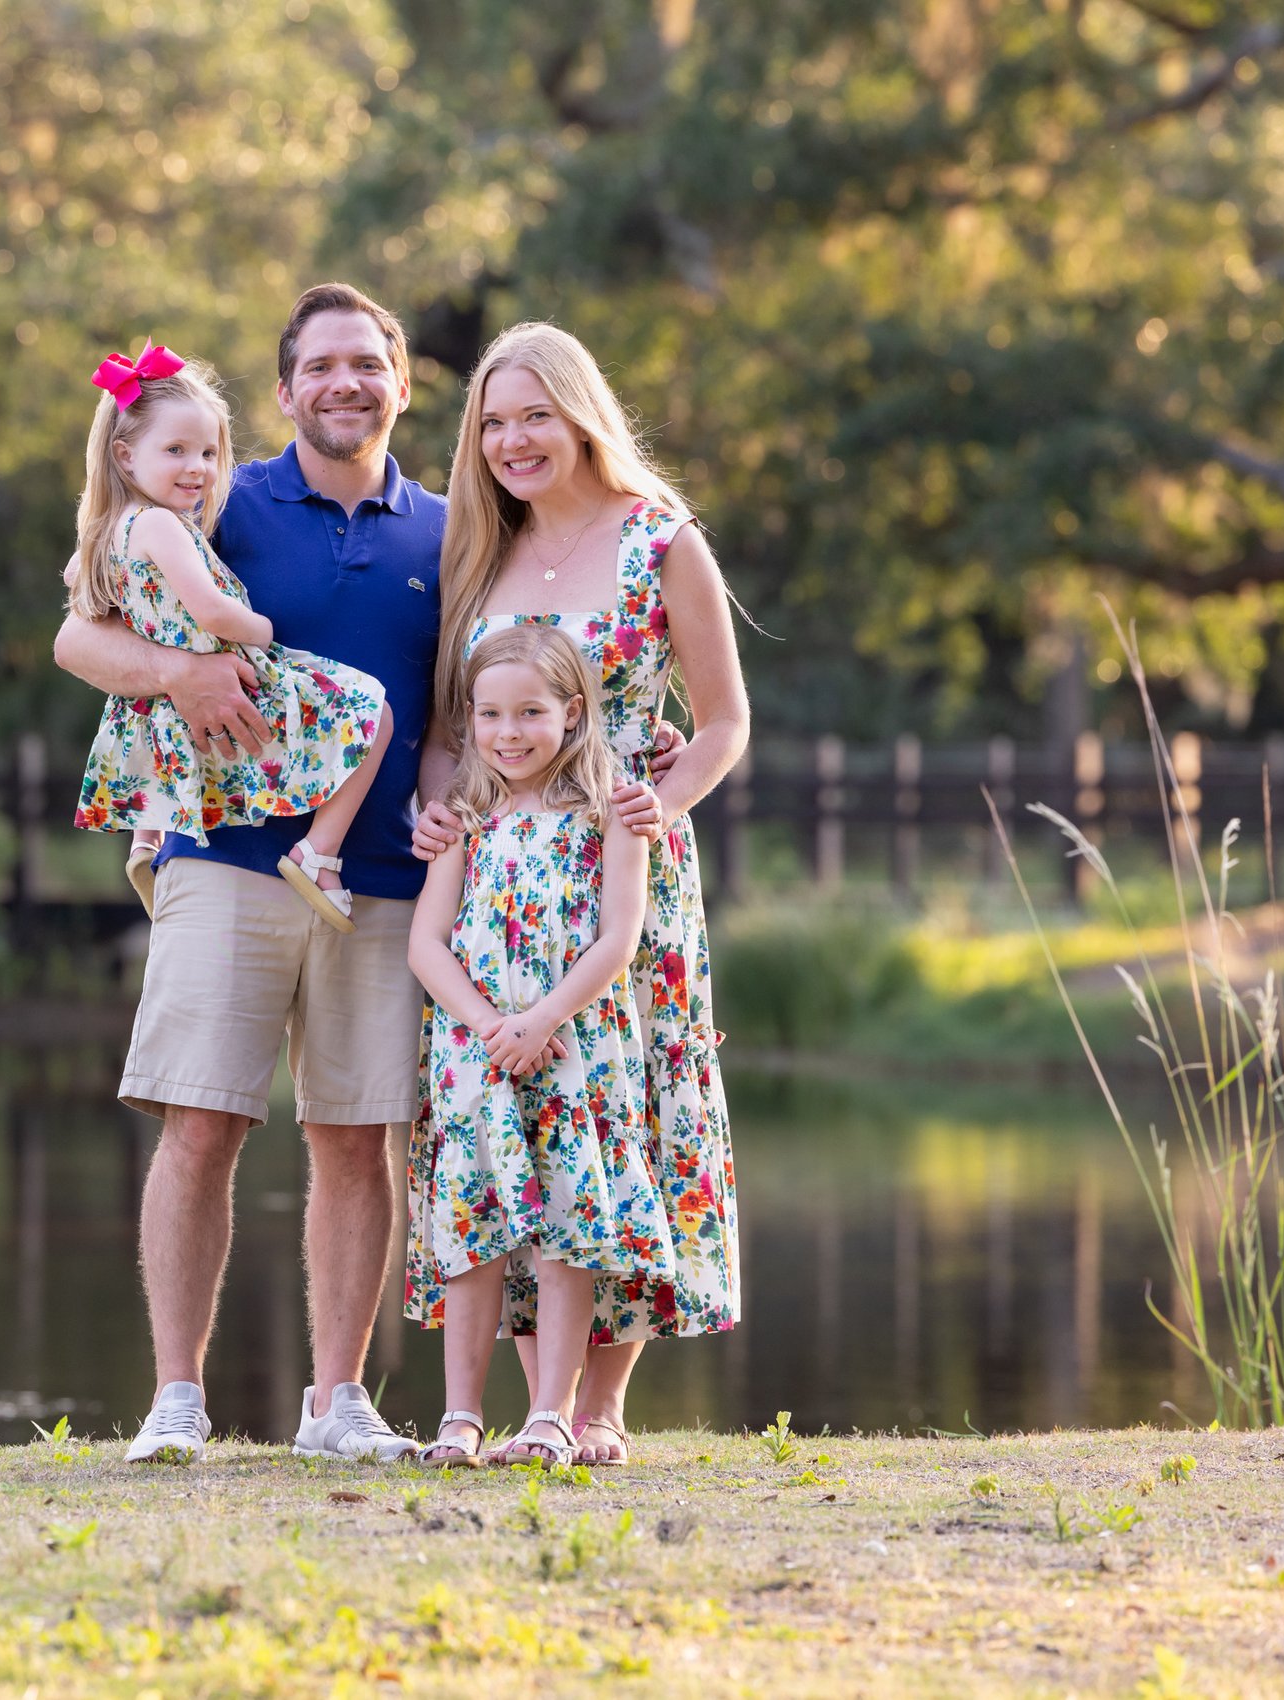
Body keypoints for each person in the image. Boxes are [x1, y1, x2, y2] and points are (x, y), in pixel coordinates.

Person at [54, 282, 447, 1464]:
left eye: (366, 364)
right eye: (320, 366)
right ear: (286, 391)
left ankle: (336, 1402)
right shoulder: (216, 495)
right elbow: (79, 634)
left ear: (401, 383)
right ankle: (176, 1398)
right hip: (220, 857)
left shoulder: (447, 526)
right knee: (201, 1124)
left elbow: (481, 689)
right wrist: (173, 676)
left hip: (378, 872)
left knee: (354, 1134)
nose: (344, 384)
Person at [413, 321, 749, 1468]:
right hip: (493, 884)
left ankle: (594, 1402)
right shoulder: (475, 549)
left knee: (620, 1116)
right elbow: (455, 725)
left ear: (579, 414)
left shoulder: (660, 539)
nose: (512, 440)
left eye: (532, 416)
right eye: (492, 422)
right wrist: (435, 805)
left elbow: (722, 721)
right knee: (512, 1126)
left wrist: (667, 804)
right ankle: (527, 1404)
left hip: (618, 877)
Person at [404, 624, 653, 1468]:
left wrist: (542, 1020)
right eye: (490, 714)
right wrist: (488, 1028)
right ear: (469, 720)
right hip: (476, 1056)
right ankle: (460, 1417)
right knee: (473, 1234)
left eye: (531, 713)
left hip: (571, 1049)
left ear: (573, 713)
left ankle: (552, 1414)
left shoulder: (610, 811)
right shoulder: (465, 817)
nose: (509, 732)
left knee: (565, 1230)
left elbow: (619, 938)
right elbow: (426, 945)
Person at [68, 340, 392, 930]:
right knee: (376, 713)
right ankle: (318, 853)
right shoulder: (165, 525)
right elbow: (212, 613)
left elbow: (81, 586)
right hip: (231, 672)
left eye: (208, 453)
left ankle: (148, 839)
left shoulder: (105, 533)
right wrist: (262, 628)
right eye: (177, 451)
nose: (198, 467)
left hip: (156, 712)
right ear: (125, 456)